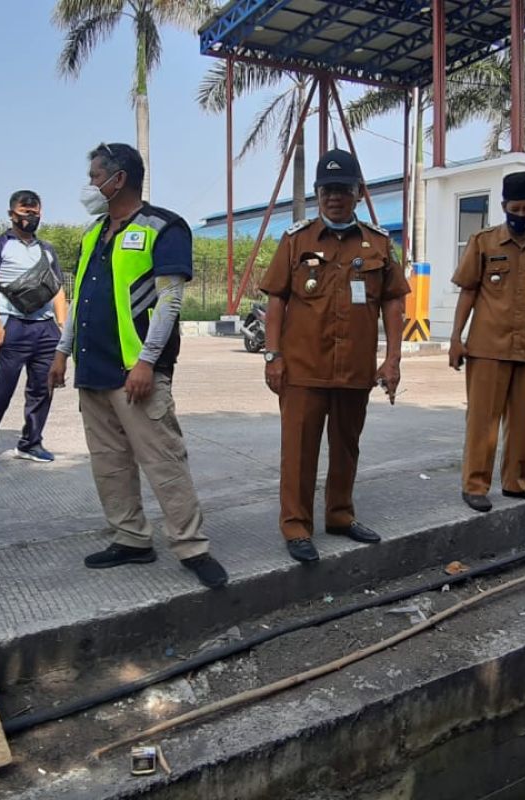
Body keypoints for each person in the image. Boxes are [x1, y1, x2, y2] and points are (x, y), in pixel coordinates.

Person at [48, 143, 228, 588]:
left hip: (136, 372)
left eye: (95, 176)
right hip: (93, 370)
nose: (90, 185)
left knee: (164, 460)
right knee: (109, 464)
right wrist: (61, 351)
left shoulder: (162, 227)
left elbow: (170, 300)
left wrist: (146, 363)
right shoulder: (94, 233)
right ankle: (130, 539)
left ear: (119, 178)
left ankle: (192, 547)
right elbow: (79, 301)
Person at [259, 148, 409, 563]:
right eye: (326, 190)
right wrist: (273, 356)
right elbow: (276, 302)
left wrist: (392, 359)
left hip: (355, 370)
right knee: (299, 452)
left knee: (347, 447)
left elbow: (394, 304)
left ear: (358, 192)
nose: (334, 197)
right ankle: (296, 526)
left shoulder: (377, 243)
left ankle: (340, 516)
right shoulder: (296, 241)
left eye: (342, 189)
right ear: (317, 194)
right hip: (303, 370)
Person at [449, 170, 525, 513]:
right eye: (516, 209)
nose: (522, 216)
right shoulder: (483, 242)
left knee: (521, 420)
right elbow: (468, 291)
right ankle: (475, 485)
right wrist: (455, 337)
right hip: (487, 347)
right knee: (483, 420)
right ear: (504, 206)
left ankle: (516, 482)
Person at [0, 190, 67, 474]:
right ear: (12, 214)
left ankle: (30, 443)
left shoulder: (46, 249)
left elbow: (57, 289)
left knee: (42, 388)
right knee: (0, 390)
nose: (30, 217)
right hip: (13, 325)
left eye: (35, 212)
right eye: (24, 212)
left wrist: (62, 327)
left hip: (45, 328)